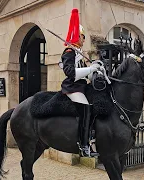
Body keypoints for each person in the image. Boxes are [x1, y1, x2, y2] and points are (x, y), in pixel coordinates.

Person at [60, 8, 100, 157]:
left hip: (82, 86)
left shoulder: (79, 54)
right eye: (83, 37)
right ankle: (83, 145)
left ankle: (93, 137)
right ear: (77, 37)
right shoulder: (69, 52)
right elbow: (70, 73)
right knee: (85, 109)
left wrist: (96, 71)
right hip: (72, 87)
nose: (84, 40)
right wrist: (90, 69)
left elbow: (85, 75)